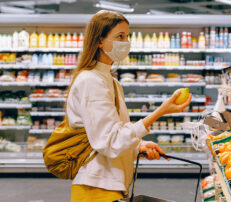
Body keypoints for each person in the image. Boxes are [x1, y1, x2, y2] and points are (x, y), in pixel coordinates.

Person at [67, 10, 192, 202]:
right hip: (96, 190)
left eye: (128, 36)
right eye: (120, 36)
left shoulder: (110, 81)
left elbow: (110, 135)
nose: (126, 42)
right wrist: (161, 112)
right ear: (100, 41)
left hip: (110, 187)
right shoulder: (91, 81)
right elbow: (108, 142)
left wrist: (136, 147)